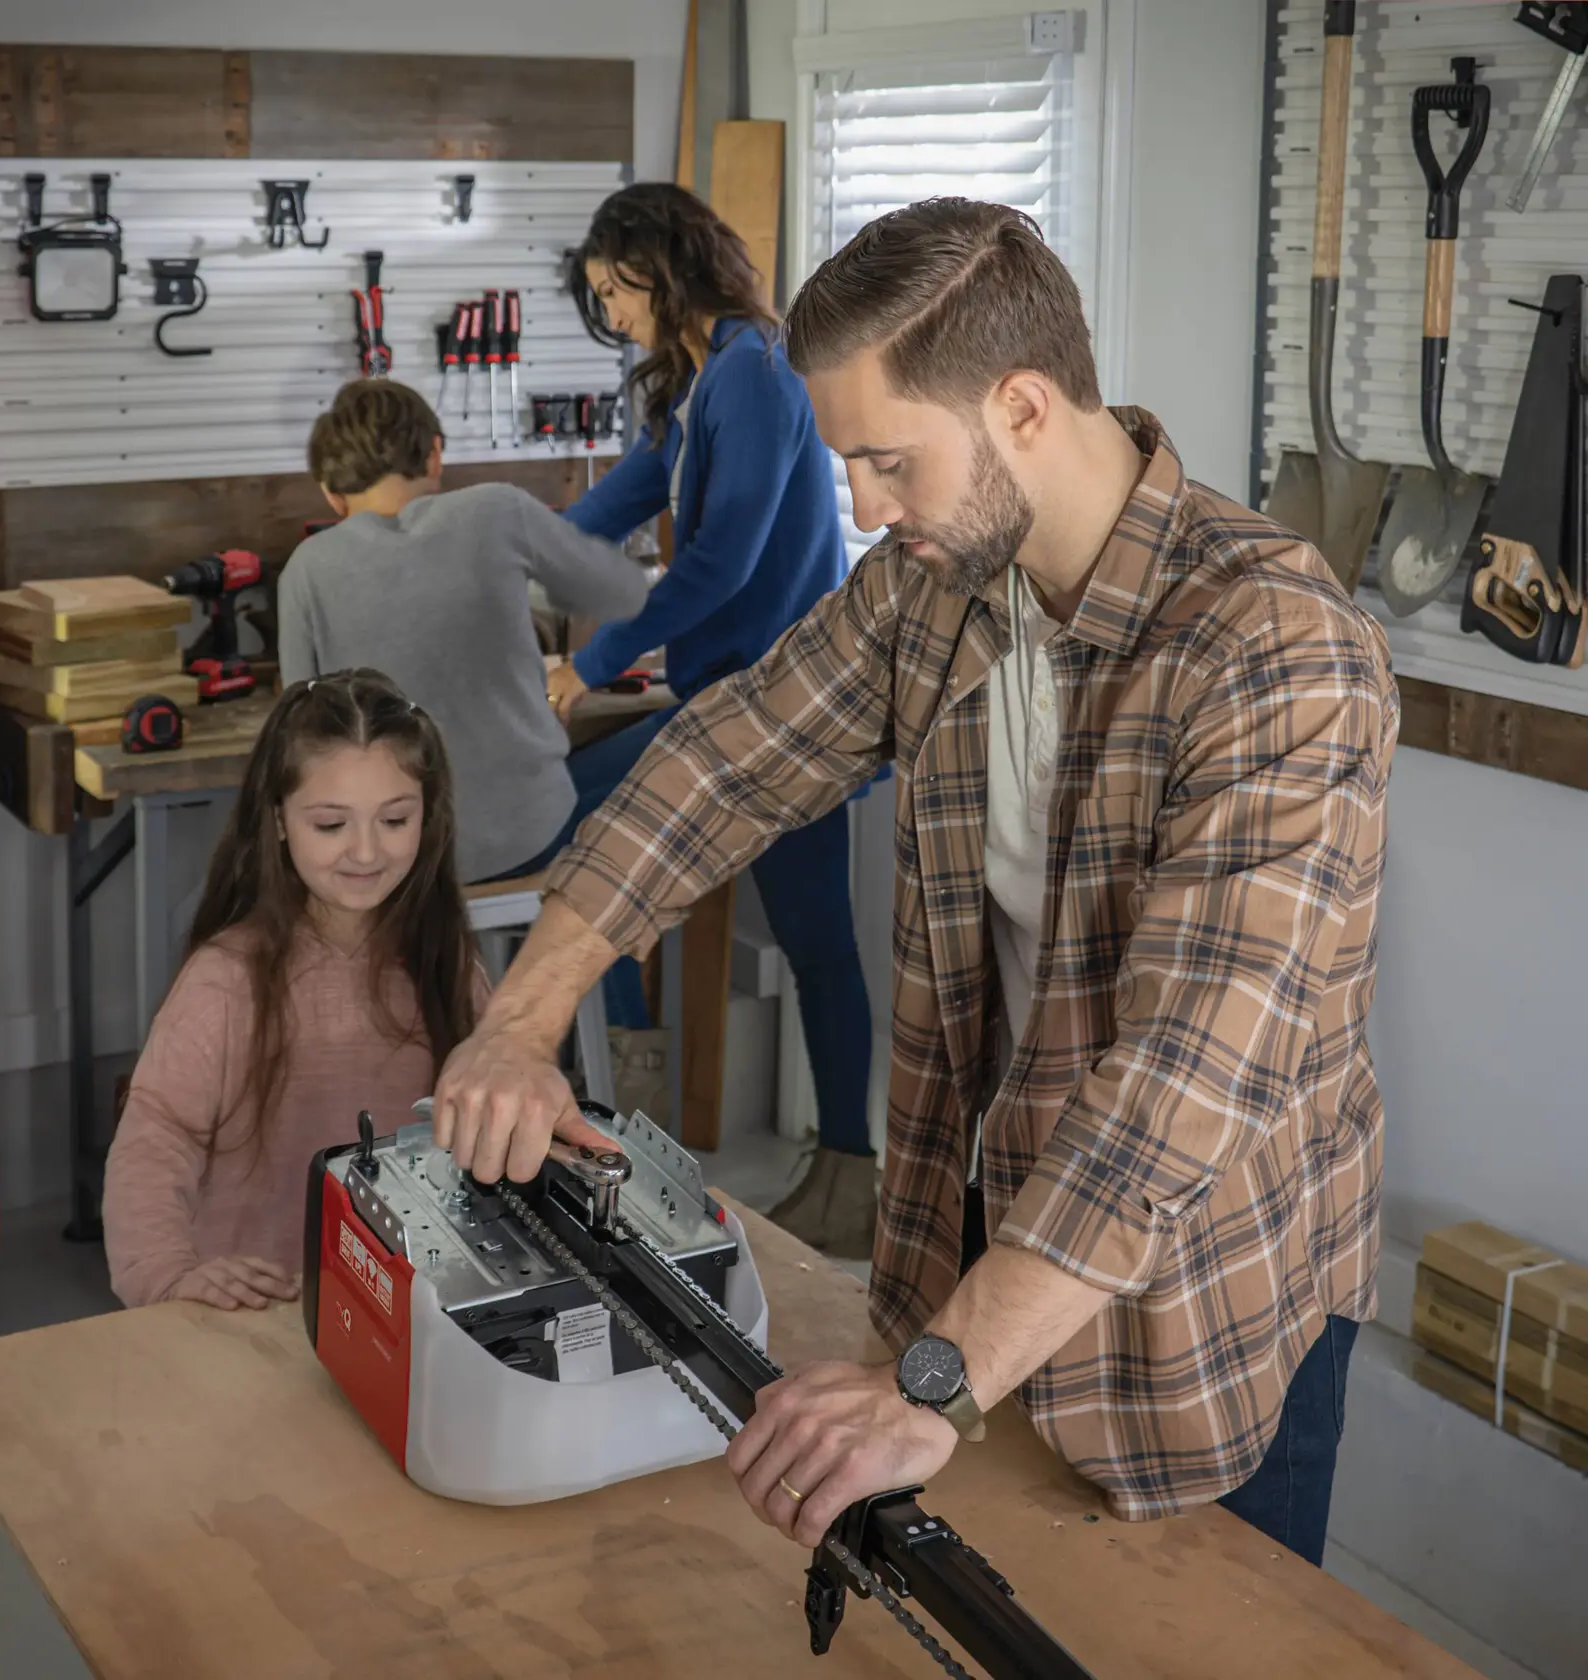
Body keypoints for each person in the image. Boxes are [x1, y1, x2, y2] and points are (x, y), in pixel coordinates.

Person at [423, 199, 1398, 1569]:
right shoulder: (937, 591)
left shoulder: (1277, 651)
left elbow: (1186, 1077)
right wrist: (522, 1026)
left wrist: (934, 1381)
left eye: (888, 462)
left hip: (1198, 1316)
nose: (866, 513)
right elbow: (722, 770)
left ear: (1020, 408)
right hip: (968, 1268)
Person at [548, 181, 879, 1256]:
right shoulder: (700, 385)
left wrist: (591, 659)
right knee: (795, 927)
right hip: (730, 702)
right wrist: (495, 552)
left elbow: (721, 566)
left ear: (660, 263)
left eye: (615, 290)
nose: (613, 315)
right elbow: (608, 510)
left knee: (581, 832)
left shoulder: (758, 376)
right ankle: (633, 1118)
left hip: (782, 710)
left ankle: (843, 1170)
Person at [103, 670, 537, 1308]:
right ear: (278, 821)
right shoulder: (225, 978)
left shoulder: (445, 960)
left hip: (405, 1301)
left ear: (429, 815)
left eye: (394, 819)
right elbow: (156, 1140)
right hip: (255, 1312)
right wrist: (169, 1275)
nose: (365, 852)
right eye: (331, 825)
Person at [278, 378, 651, 885]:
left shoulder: (305, 569)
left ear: (331, 493)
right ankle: (588, 958)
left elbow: (297, 734)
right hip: (528, 837)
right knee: (678, 730)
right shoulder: (496, 510)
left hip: (395, 861)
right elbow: (625, 594)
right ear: (434, 455)